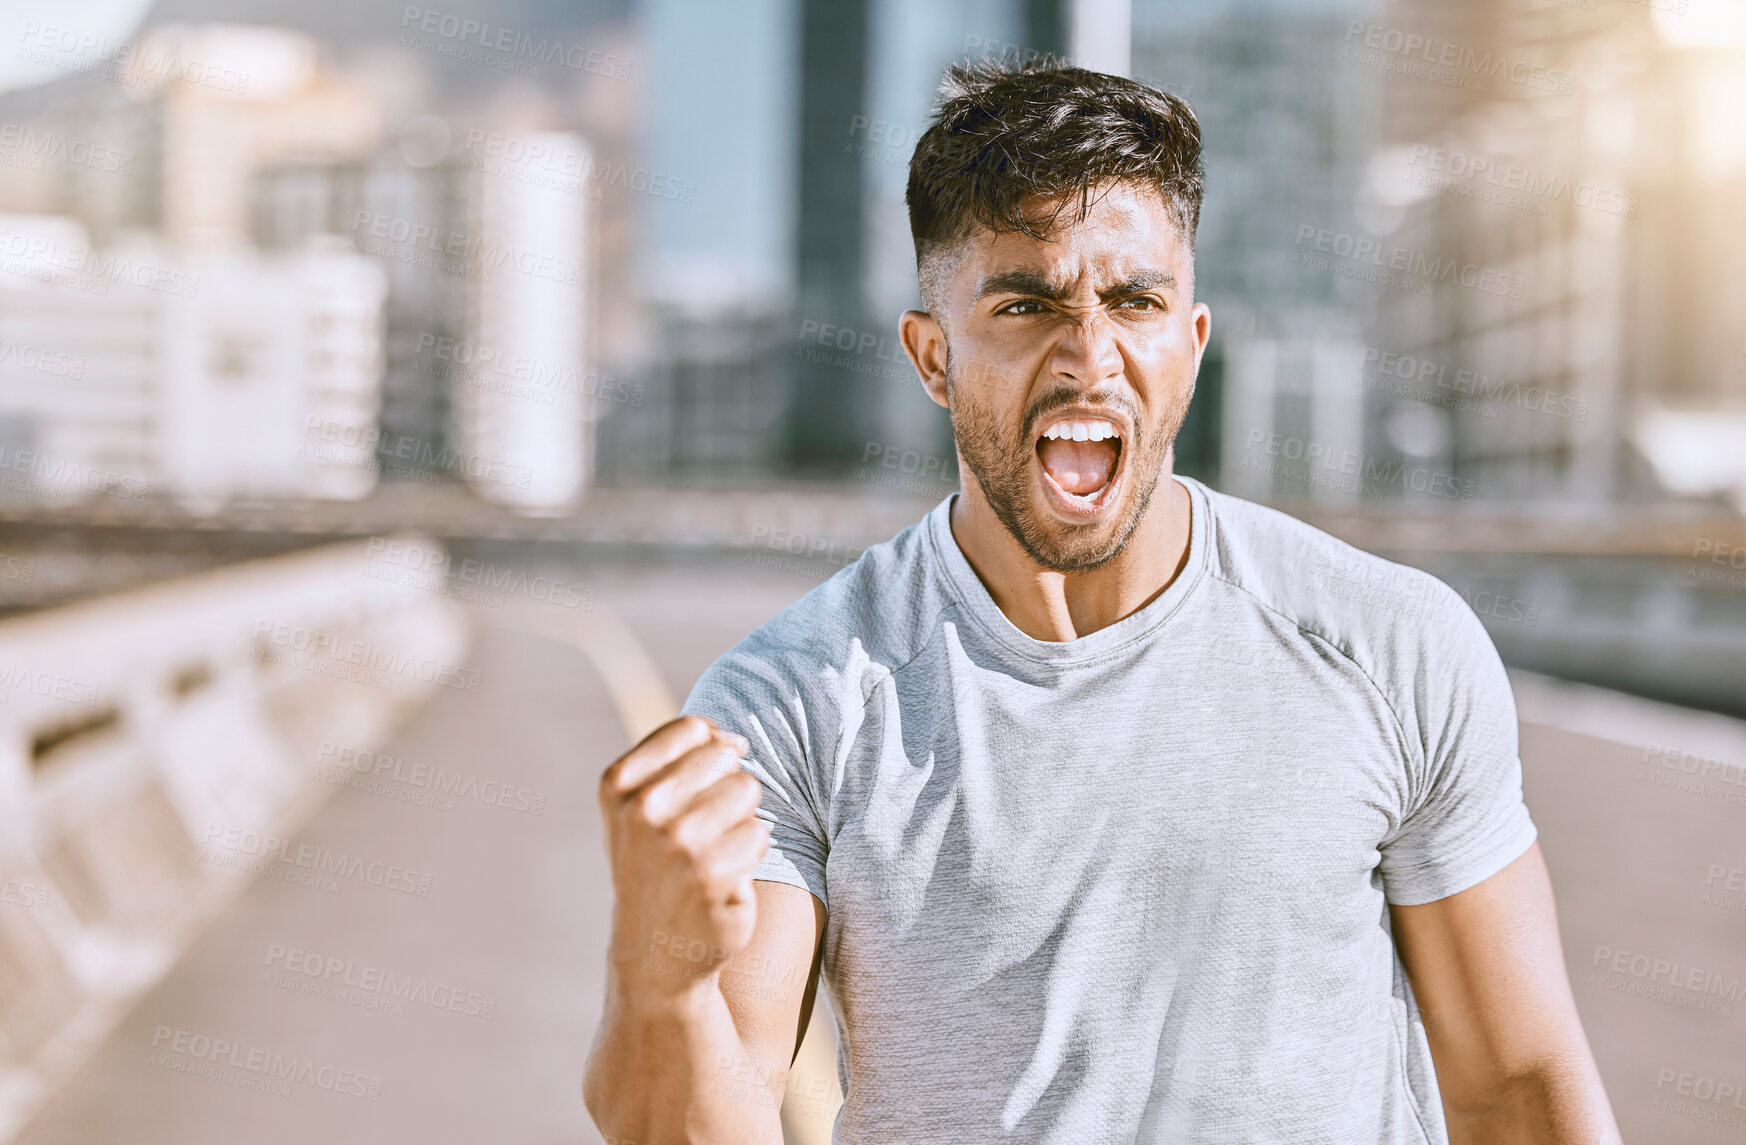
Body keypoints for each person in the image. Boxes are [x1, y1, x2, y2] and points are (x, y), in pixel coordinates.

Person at [584, 59, 1622, 1144]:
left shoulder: (1391, 645)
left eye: (1135, 300)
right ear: (933, 356)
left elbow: (1518, 1084)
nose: (1090, 356)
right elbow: (698, 1119)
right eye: (1027, 303)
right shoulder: (795, 698)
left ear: (1192, 342)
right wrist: (655, 978)